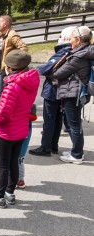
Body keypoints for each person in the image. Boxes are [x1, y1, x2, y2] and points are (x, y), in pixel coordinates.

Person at [0, 50, 39, 208]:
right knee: (14, 161)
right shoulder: (31, 82)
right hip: (21, 127)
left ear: (11, 67)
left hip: (7, 131)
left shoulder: (12, 87)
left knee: (3, 165)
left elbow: (3, 114)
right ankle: (10, 192)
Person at [29, 26, 75, 157]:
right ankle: (53, 145)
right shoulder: (72, 51)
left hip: (53, 89)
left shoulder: (64, 51)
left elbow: (48, 69)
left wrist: (36, 68)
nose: (59, 38)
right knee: (57, 119)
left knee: (49, 119)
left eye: (61, 36)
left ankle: (46, 147)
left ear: (66, 38)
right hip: (61, 89)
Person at [52, 26, 93, 165]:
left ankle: (77, 154)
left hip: (73, 93)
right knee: (74, 123)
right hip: (79, 92)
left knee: (74, 124)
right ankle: (76, 151)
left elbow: (57, 73)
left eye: (72, 39)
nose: (70, 41)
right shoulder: (86, 52)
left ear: (79, 40)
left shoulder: (78, 56)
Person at [0, 15, 28, 95]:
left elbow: (23, 48)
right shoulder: (0, 34)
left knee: (3, 94)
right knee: (2, 93)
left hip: (6, 70)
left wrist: (13, 65)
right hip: (0, 69)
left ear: (5, 24)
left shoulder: (12, 35)